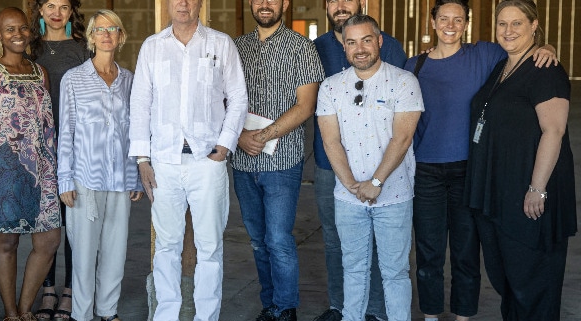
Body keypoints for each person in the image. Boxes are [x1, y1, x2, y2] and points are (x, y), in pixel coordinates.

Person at [402, 1, 557, 320]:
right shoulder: (413, 66)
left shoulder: (485, 55)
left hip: (469, 172)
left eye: (458, 19)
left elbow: (523, 52)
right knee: (429, 254)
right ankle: (430, 315)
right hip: (425, 172)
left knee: (466, 252)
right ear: (432, 22)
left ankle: (463, 317)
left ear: (466, 24)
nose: (450, 25)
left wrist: (549, 47)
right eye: (443, 18)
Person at [128, 0, 249, 319]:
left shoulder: (220, 44)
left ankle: (206, 317)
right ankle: (166, 314)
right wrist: (142, 157)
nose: (183, 3)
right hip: (164, 162)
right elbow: (140, 102)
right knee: (167, 247)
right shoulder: (152, 47)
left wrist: (224, 146)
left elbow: (238, 98)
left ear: (200, 3)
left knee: (210, 247)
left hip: (207, 162)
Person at [465, 0, 575, 319]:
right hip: (499, 192)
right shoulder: (503, 66)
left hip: (528, 195)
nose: (508, 30)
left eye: (517, 23)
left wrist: (537, 188)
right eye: (502, 23)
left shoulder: (546, 70)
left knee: (532, 284)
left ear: (534, 25)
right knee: (509, 283)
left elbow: (553, 131)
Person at [317, 14, 423, 321]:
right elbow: (330, 142)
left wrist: (374, 182)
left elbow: (402, 139)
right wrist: (352, 185)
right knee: (354, 269)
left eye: (366, 40)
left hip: (394, 195)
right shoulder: (331, 87)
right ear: (345, 48)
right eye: (351, 42)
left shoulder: (404, 82)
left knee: (394, 272)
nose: (359, 48)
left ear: (379, 41)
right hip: (348, 198)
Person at [0, 7, 62, 321]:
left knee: (48, 240)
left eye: (22, 29)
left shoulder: (40, 72)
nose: (17, 35)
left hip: (42, 172)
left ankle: (25, 308)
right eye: (10, 30)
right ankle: (10, 312)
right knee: (6, 241)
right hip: (3, 174)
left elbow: (45, 126)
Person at [232, 0, 323, 320]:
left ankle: (286, 308)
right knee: (258, 241)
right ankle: (269, 305)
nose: (265, 4)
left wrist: (263, 135)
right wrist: (239, 137)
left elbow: (306, 105)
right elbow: (221, 100)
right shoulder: (236, 47)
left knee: (279, 240)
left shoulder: (302, 48)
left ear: (285, 3)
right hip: (242, 163)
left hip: (282, 162)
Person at [58, 10, 143, 321]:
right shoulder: (74, 79)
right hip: (85, 180)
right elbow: (66, 131)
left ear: (120, 36)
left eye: (113, 29)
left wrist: (135, 176)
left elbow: (136, 131)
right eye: (100, 29)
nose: (107, 34)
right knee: (83, 254)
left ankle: (107, 311)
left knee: (115, 252)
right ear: (91, 37)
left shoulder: (130, 81)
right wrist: (64, 179)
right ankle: (81, 315)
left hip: (121, 178)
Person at [28, 0, 90, 319]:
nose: (56, 12)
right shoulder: (29, 48)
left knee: (74, 222)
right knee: (49, 222)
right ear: (39, 10)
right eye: (49, 5)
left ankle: (70, 290)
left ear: (70, 12)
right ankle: (48, 289)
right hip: (39, 147)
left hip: (76, 146)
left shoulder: (83, 48)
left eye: (63, 6)